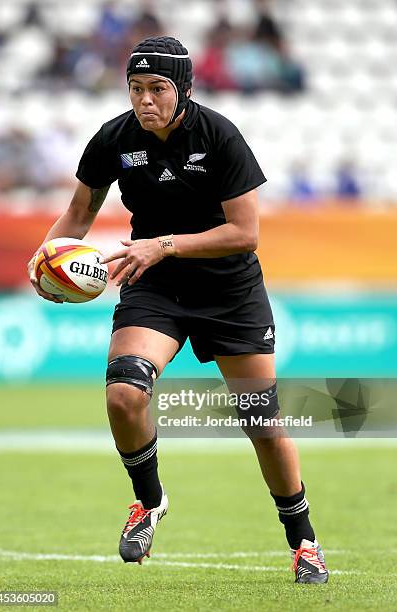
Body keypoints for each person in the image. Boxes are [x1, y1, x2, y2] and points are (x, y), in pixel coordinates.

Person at [27, 36, 328, 584]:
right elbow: (78, 209)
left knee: (262, 424)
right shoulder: (114, 138)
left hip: (229, 292)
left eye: (157, 89)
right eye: (136, 88)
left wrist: (161, 243)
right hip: (155, 286)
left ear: (183, 90)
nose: (145, 100)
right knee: (124, 391)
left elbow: (245, 232)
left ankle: (304, 542)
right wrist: (46, 258)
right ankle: (148, 502)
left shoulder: (219, 135)